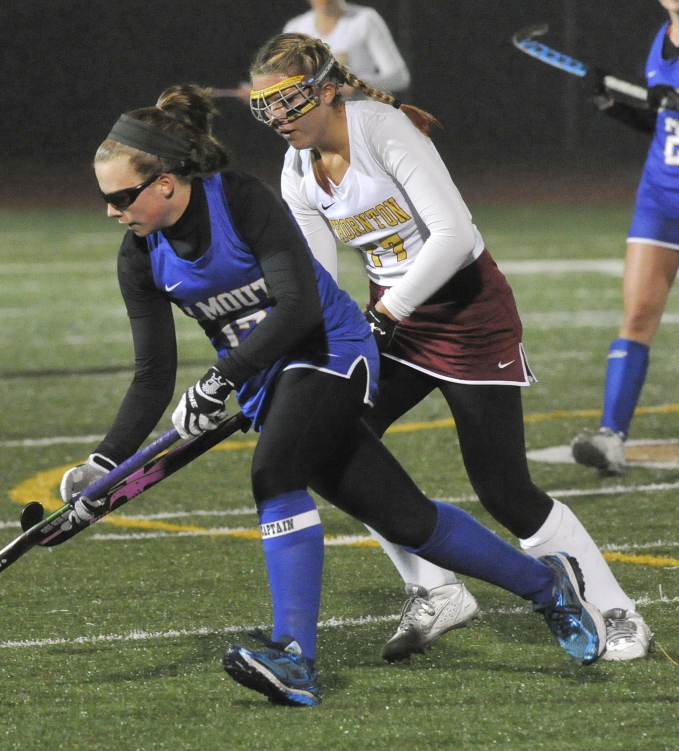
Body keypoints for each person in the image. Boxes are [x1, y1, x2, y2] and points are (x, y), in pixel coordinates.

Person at [62, 83, 606, 708]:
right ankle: (548, 587)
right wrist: (105, 464)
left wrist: (221, 379)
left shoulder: (238, 200)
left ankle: (293, 656)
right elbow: (152, 372)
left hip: (331, 351)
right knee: (407, 520)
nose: (111, 211)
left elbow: (297, 309)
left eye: (121, 196)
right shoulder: (140, 256)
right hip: (273, 382)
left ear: (164, 182)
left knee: (274, 473)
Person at [246, 32, 653, 665]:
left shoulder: (383, 129)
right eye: (267, 108)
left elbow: (455, 236)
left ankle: (616, 608)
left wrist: (387, 311)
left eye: (289, 103)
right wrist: (290, 351)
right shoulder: (297, 168)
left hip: (468, 315)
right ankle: (434, 588)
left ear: (327, 91)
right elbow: (317, 284)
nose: (278, 120)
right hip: (395, 322)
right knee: (328, 441)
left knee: (504, 489)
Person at [570, 0, 679, 480]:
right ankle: (611, 438)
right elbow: (664, 122)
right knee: (636, 316)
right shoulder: (663, 37)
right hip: (660, 199)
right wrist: (615, 107)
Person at [283, 0, 410, 96]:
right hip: (316, 120)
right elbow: (284, 81)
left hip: (359, 116)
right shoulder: (295, 28)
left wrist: (358, 85)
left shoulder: (364, 20)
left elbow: (399, 78)